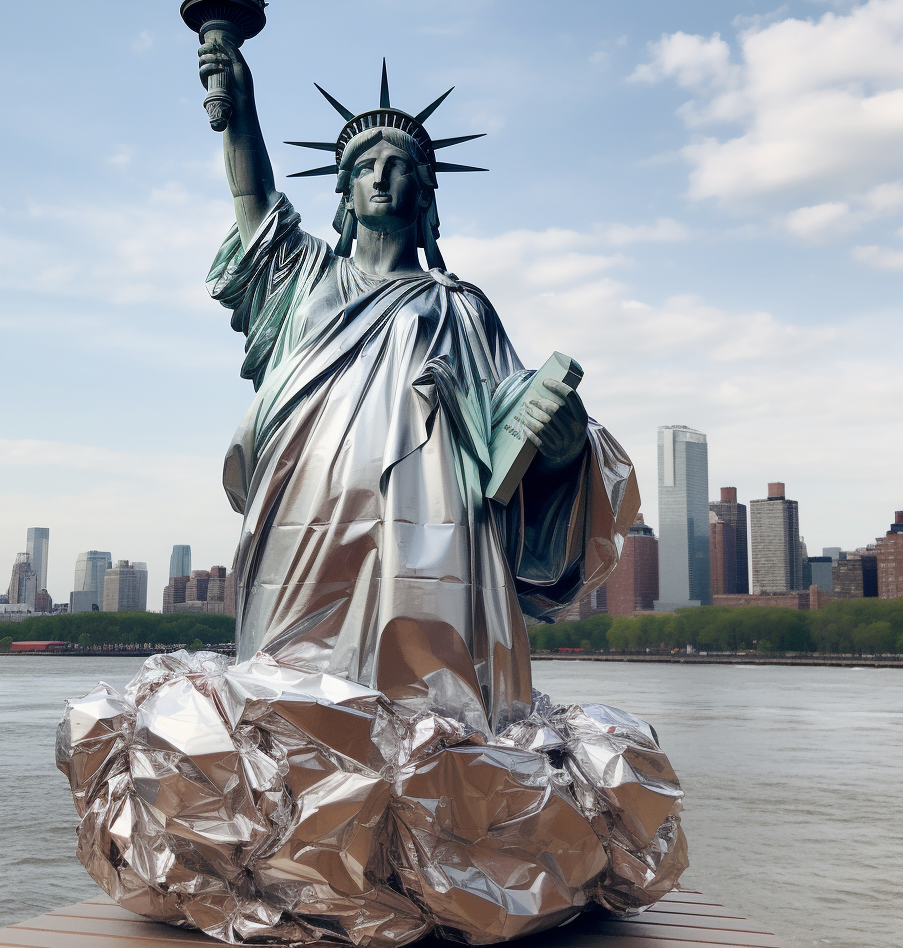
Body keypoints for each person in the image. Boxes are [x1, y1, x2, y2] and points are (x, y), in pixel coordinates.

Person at [200, 42, 639, 733]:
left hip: (431, 534)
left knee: (428, 716)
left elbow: (511, 424)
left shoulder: (462, 307)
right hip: (304, 522)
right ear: (343, 194)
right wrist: (238, 108)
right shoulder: (306, 279)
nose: (380, 177)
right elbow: (251, 197)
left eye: (398, 166)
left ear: (424, 191)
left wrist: (559, 444)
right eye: (364, 168)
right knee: (280, 705)